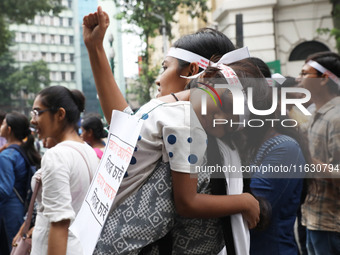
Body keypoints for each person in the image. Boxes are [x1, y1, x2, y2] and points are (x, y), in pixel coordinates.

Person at [27, 85, 99, 255]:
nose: (32, 120)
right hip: (81, 246)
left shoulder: (56, 155)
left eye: (37, 112)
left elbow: (59, 223)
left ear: (60, 114)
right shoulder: (88, 151)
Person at [299, 52, 340, 255]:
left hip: (332, 225)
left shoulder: (337, 118)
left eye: (305, 74)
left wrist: (306, 160)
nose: (300, 79)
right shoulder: (316, 112)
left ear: (324, 79)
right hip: (314, 219)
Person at [0, 112, 41, 252]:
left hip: (9, 211)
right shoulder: (23, 150)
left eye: (4, 123)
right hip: (23, 207)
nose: (1, 126)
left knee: (11, 248)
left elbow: (4, 190)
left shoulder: (7, 155)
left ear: (9, 129)